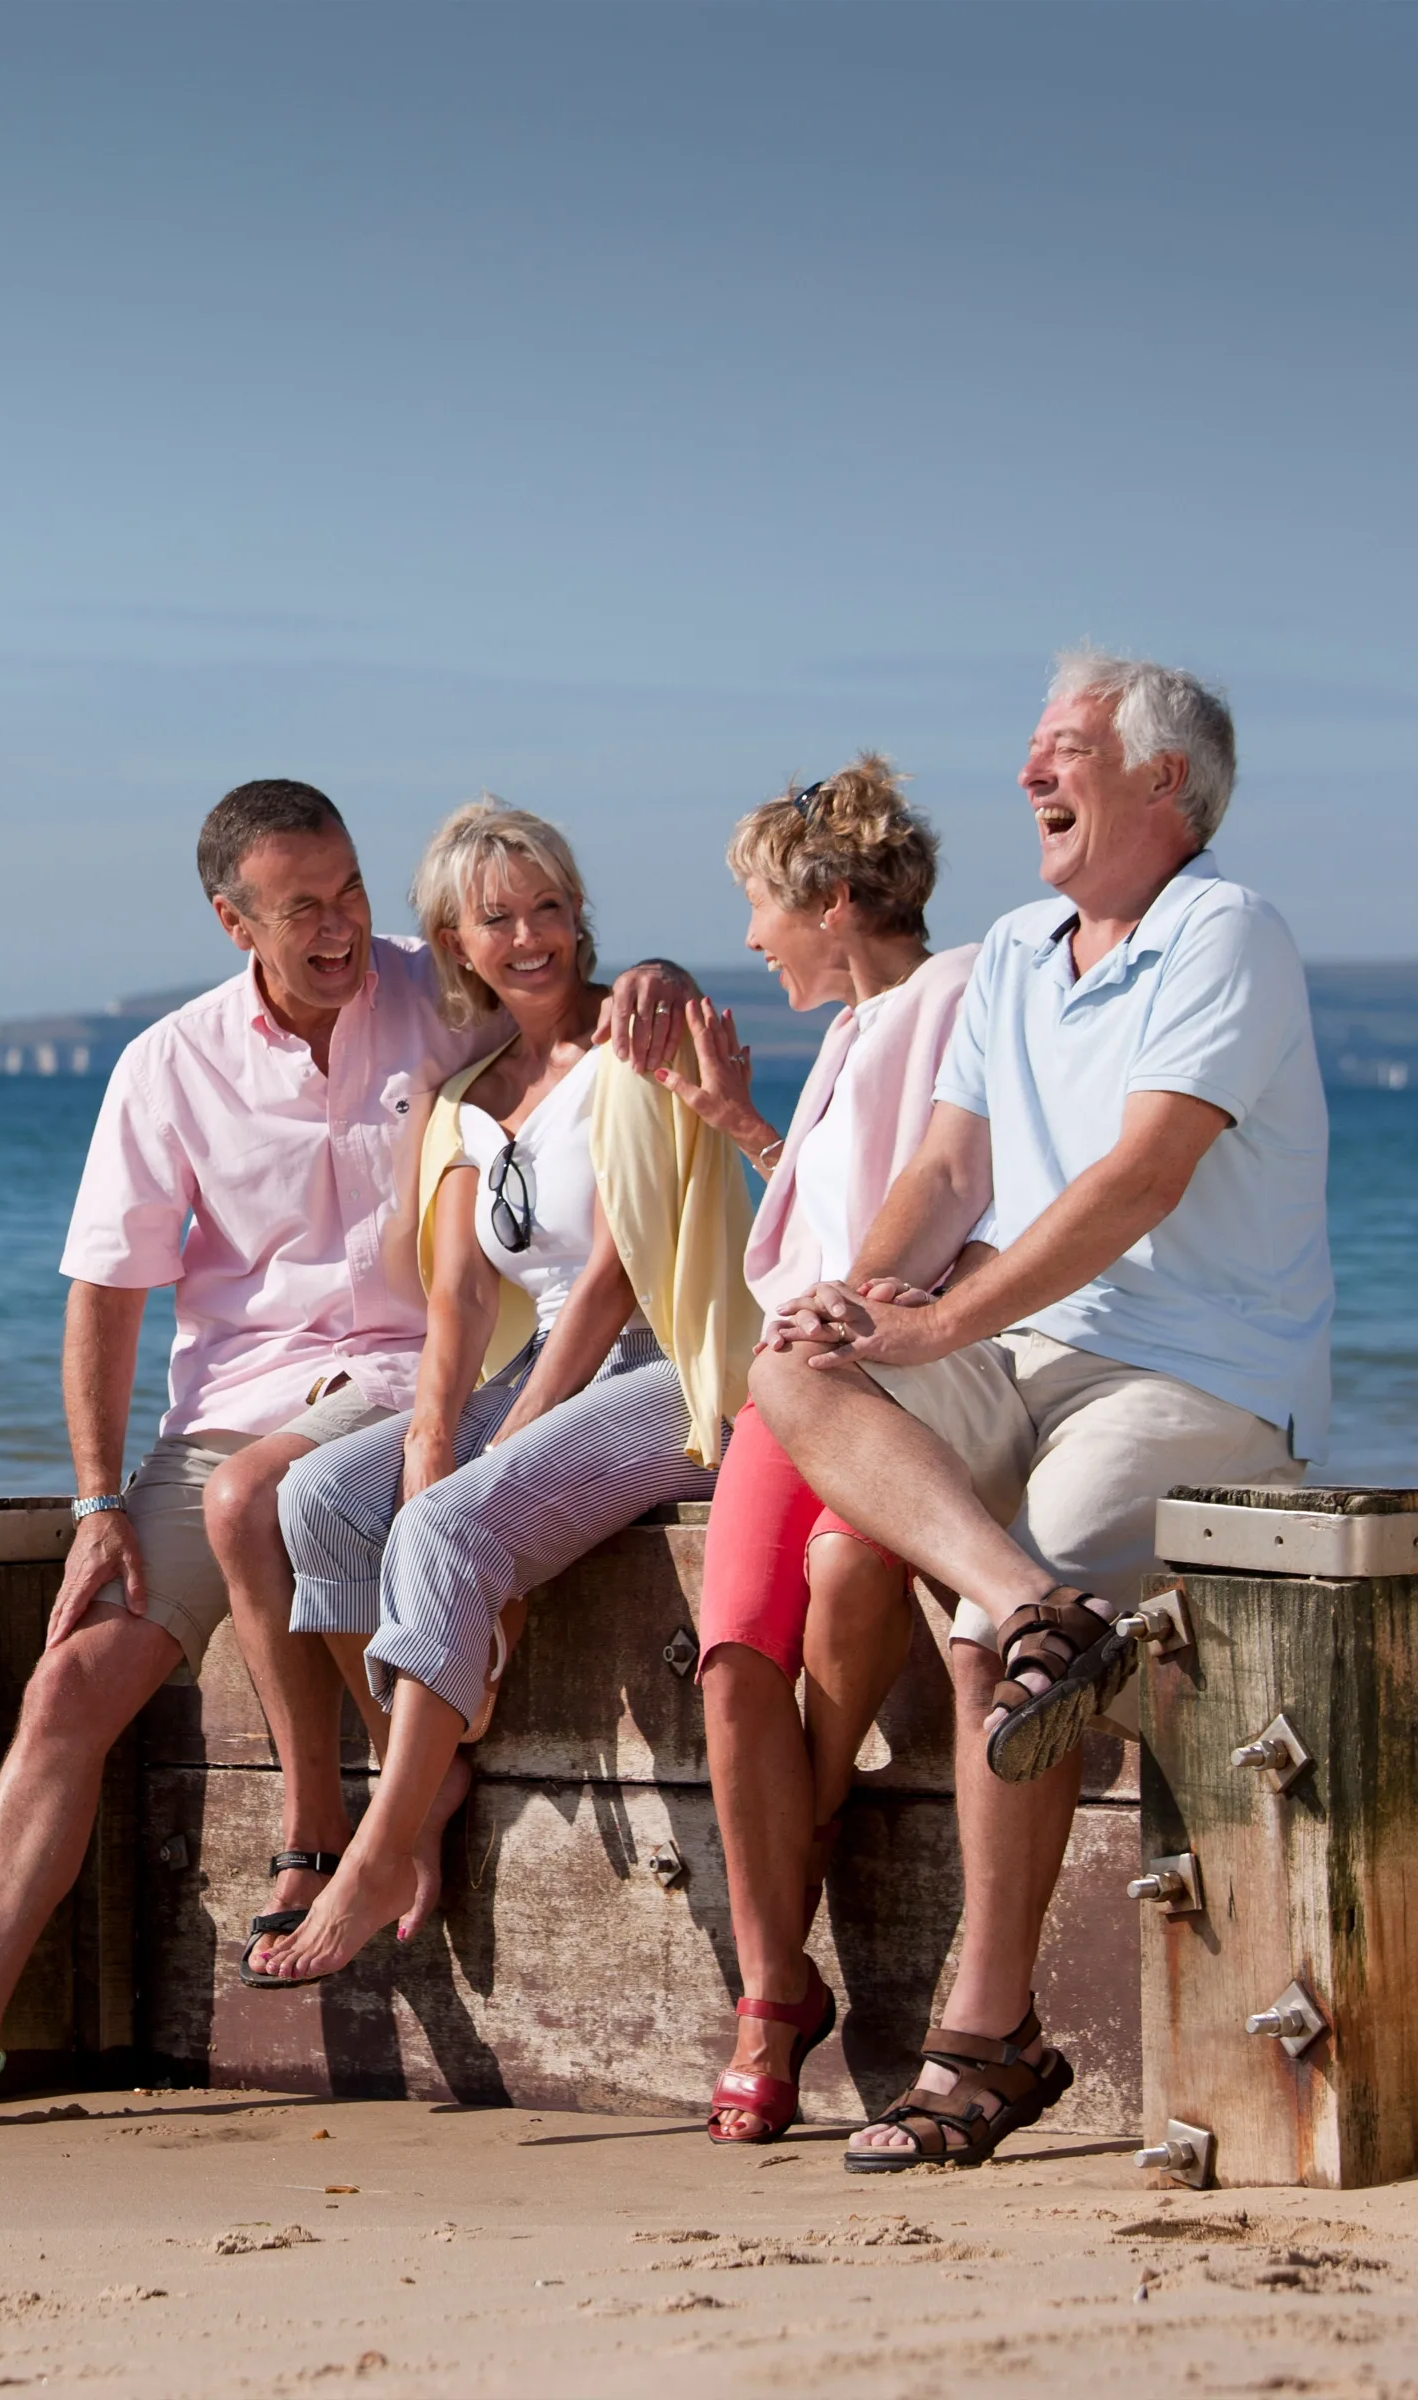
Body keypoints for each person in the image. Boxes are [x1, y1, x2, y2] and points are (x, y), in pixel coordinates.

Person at [0, 779, 696, 2126]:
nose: (341, 930)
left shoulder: (438, 994)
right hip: (220, 1419)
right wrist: (97, 1500)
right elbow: (106, 1297)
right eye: (303, 908)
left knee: (270, 1499)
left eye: (353, 893)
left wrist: (661, 972)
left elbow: (566, 982)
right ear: (233, 919)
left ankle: (329, 1826)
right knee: (68, 1685)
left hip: (398, 1391)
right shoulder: (167, 1066)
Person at [752, 653, 1331, 2172]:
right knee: (789, 1369)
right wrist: (861, 1295)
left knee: (982, 1632)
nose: (1027, 776)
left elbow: (1141, 1174)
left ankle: (983, 2038)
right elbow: (950, 1174)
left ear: (1165, 785)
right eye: (1031, 748)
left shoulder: (1230, 931)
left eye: (1063, 749)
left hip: (1198, 1373)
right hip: (1031, 1350)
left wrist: (943, 1318)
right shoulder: (1015, 948)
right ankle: (1035, 1610)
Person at [244, 800, 754, 1989]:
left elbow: (618, 1279)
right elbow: (463, 1298)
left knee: (449, 1520)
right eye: (498, 919)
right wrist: (431, 1432)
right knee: (319, 1497)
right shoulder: (470, 1092)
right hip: (536, 1370)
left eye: (550, 909)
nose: (531, 937)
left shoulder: (643, 1050)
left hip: (671, 1367)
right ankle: (428, 1767)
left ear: (581, 917)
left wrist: (495, 1449)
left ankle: (378, 1844)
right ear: (456, 943)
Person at [642, 757, 977, 2143]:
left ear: (834, 901)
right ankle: (779, 1984)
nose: (752, 939)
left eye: (762, 910)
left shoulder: (956, 994)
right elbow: (835, 1222)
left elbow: (936, 1204)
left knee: (846, 1591)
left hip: (890, 1373)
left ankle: (792, 1897)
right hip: (799, 1374)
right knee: (730, 1665)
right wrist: (742, 1128)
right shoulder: (849, 1031)